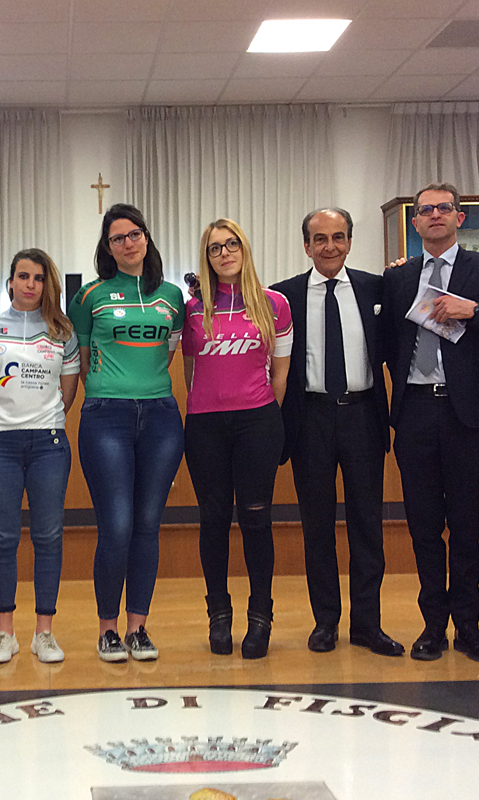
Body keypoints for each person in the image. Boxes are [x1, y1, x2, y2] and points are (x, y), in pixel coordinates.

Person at [381, 182, 479, 664]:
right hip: (415, 412)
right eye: (425, 210)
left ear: (459, 218)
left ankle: (469, 627)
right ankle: (432, 627)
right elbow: (386, 343)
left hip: (468, 413)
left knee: (465, 526)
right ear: (415, 221)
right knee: (423, 526)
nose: (435, 215)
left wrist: (475, 312)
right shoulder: (399, 278)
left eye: (444, 208)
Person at [273, 208, 404, 658]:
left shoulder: (375, 288)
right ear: (306, 246)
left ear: (349, 241)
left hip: (362, 416)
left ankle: (368, 624)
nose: (330, 246)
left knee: (367, 524)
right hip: (309, 419)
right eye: (320, 239)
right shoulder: (284, 296)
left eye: (338, 237)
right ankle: (325, 622)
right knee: (317, 526)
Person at [68, 203, 185, 663]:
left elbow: (168, 354)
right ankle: (108, 629)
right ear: (108, 246)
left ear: (146, 237)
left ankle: (138, 628)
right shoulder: (89, 296)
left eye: (134, 234)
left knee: (148, 524)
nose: (128, 243)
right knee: (116, 525)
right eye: (117, 237)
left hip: (161, 417)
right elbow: (80, 360)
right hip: (106, 417)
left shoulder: (172, 296)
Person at [182, 219, 290, 659]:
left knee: (256, 518)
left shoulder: (274, 304)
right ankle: (219, 615)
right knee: (213, 519)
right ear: (206, 258)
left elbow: (280, 374)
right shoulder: (192, 309)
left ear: (244, 249)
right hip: (205, 425)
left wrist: (260, 414)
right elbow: (189, 371)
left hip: (257, 423)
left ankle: (260, 616)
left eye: (231, 245)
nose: (224, 253)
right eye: (215, 248)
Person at [0, 249, 80, 664]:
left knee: (48, 536)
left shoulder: (63, 331)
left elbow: (67, 394)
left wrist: (40, 417)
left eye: (38, 277)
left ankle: (43, 632)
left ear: (47, 283)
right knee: (2, 538)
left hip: (48, 445)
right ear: (10, 282)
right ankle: (5, 634)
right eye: (23, 276)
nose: (30, 284)